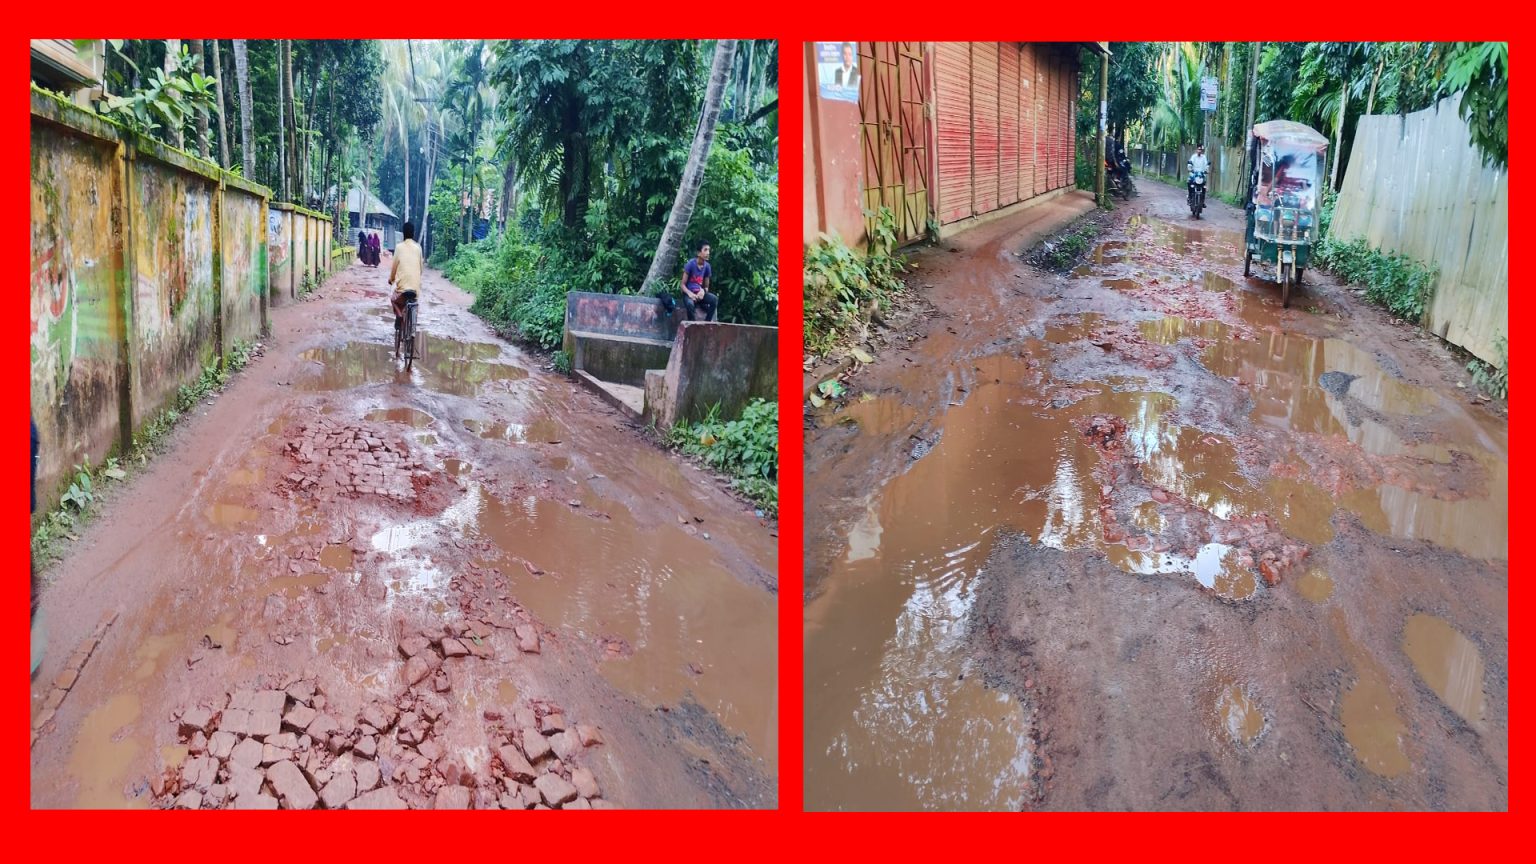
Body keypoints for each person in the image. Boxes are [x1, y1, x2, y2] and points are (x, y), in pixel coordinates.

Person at [388, 222, 424, 358]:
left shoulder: (399, 247)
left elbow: (394, 267)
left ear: (403, 233)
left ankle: (399, 315)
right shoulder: (418, 248)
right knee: (414, 305)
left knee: (394, 300)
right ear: (413, 233)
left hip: (402, 290)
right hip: (414, 290)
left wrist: (391, 279)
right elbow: (421, 269)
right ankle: (411, 330)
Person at [680, 243, 718, 322]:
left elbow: (706, 287)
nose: (708, 253)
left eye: (709, 250)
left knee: (714, 299)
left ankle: (707, 323)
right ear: (698, 253)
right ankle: (693, 326)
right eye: (705, 250)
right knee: (690, 304)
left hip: (699, 295)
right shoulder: (690, 264)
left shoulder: (707, 266)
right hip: (688, 294)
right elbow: (682, 285)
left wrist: (703, 292)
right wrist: (690, 294)